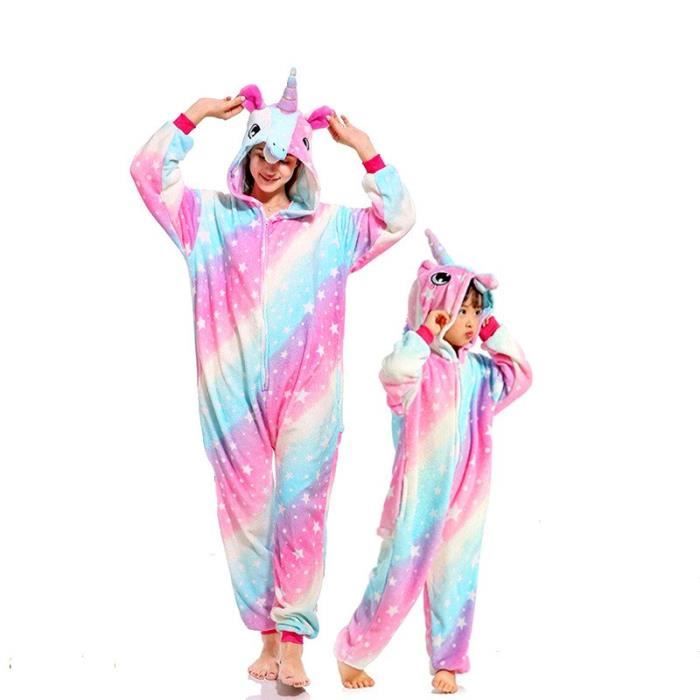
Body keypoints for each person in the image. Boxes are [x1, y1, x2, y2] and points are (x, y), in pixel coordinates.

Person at [129, 68, 416, 688]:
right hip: (230, 391)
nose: (271, 166)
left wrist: (365, 150)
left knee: (302, 506)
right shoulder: (208, 217)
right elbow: (148, 173)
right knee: (247, 513)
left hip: (308, 391)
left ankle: (293, 640)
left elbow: (398, 218)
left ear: (301, 164)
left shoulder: (332, 227)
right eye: (262, 153)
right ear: (247, 153)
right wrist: (196, 114)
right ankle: (265, 635)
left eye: (285, 158)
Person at [334, 229, 532, 693]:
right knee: (397, 575)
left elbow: (521, 374)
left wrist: (493, 331)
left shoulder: (481, 372)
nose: (470, 320)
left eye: (476, 311)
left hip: (467, 493)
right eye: (460, 310)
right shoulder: (420, 369)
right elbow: (393, 372)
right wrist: (423, 333)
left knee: (457, 578)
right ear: (435, 309)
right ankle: (354, 652)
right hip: (419, 493)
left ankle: (448, 661)